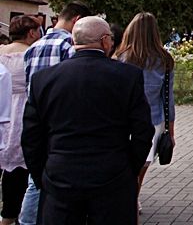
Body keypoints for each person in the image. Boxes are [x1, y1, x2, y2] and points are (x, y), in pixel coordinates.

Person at [21, 16, 154, 225]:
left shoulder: (44, 79)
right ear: (105, 41)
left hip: (60, 175)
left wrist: (42, 174)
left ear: (74, 41)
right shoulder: (128, 76)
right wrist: (129, 167)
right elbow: (143, 130)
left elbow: (31, 137)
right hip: (112, 174)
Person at [18, 0, 92, 225]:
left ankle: (28, 221)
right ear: (77, 20)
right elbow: (75, 85)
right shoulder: (69, 46)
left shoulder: (33, 47)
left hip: (36, 117)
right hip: (62, 121)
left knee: (35, 179)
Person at [115, 12, 176, 215]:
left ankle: (128, 199)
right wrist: (170, 131)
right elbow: (168, 98)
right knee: (142, 164)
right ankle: (133, 197)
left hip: (123, 121)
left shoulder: (121, 58)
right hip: (153, 120)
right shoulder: (164, 60)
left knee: (125, 163)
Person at [0, 16, 43, 225]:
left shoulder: (1, 52)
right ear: (31, 33)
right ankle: (10, 215)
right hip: (21, 112)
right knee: (19, 172)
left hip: (3, 107)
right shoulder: (31, 54)